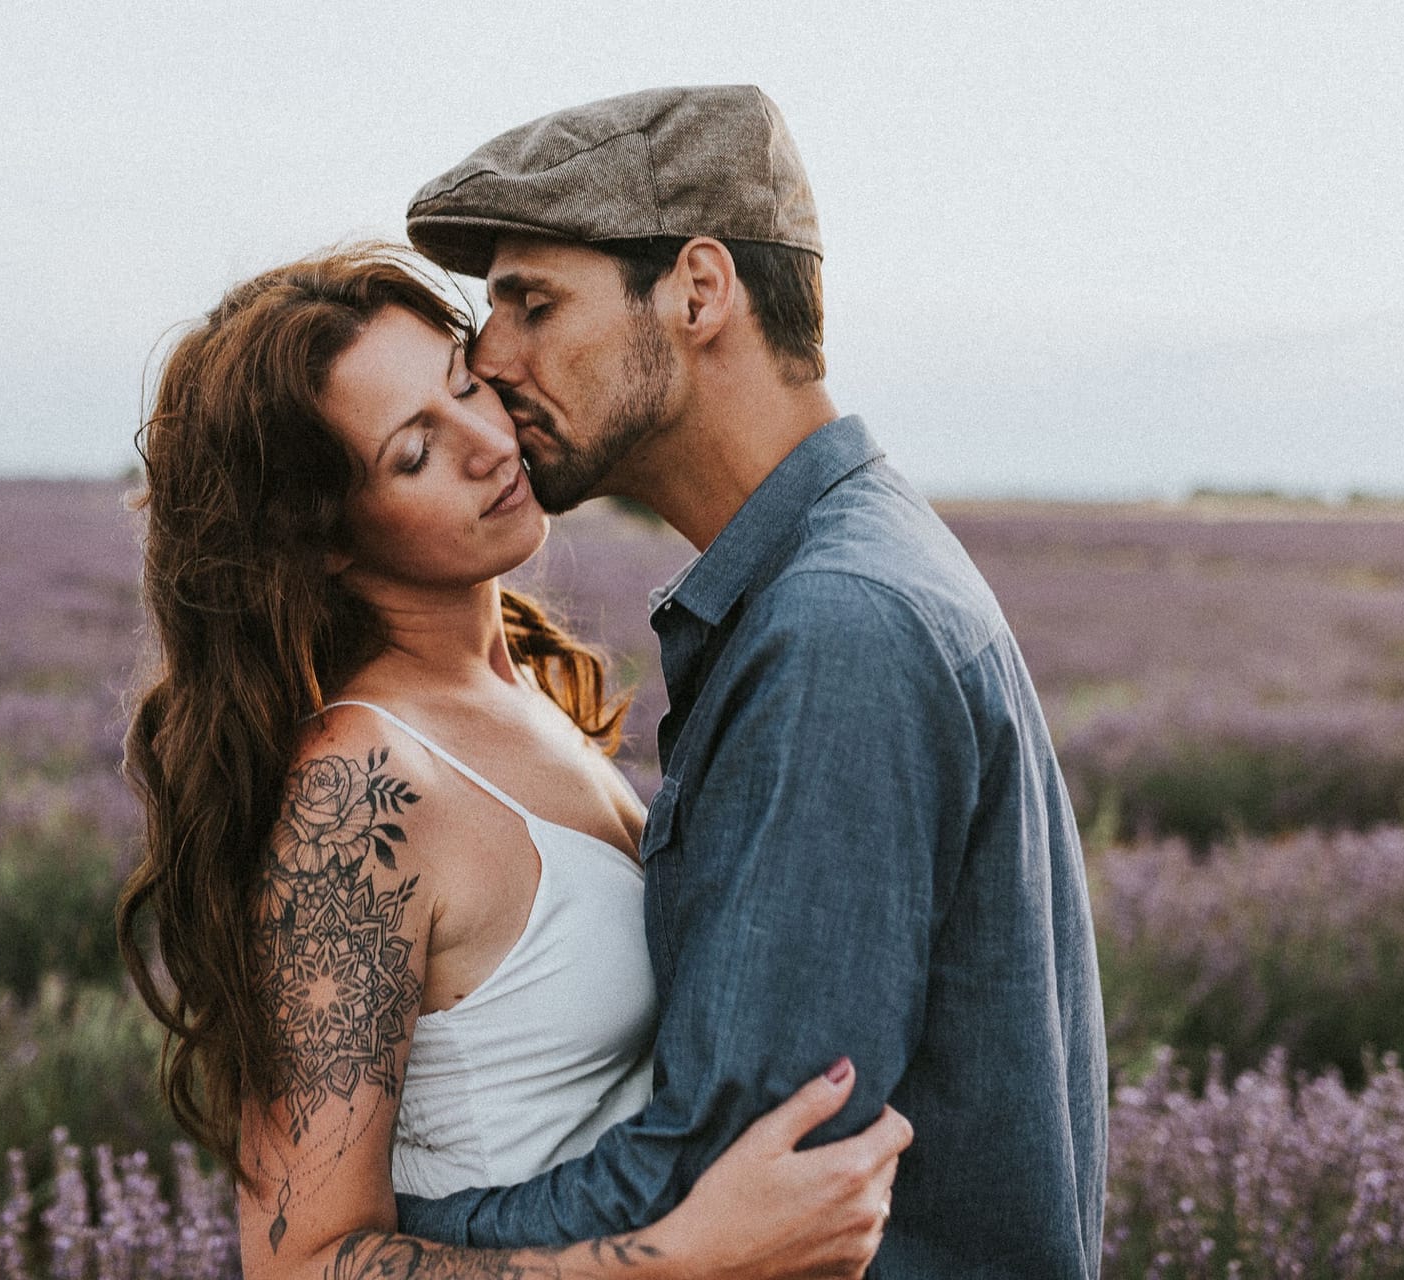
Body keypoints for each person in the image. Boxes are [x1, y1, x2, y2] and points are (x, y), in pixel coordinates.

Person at [393, 85, 1109, 1276]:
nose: (490, 357)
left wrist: (367, 1241)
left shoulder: (836, 628)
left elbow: (731, 1170)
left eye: (531, 302)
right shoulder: (840, 571)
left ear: (699, 289)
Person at [115, 245, 915, 1279]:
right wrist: (691, 1255)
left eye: (465, 385)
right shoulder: (360, 792)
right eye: (414, 453)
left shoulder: (516, 693)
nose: (490, 442)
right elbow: (303, 1260)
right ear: (319, 541)